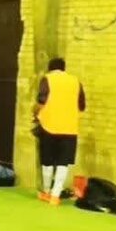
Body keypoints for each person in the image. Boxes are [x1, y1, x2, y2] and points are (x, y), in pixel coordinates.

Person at [34, 57, 86, 205]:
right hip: (70, 128)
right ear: (64, 68)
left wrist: (35, 112)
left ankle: (46, 191)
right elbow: (82, 105)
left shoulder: (48, 79)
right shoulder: (75, 81)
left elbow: (41, 100)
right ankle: (55, 196)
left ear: (50, 68)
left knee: (47, 160)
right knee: (64, 162)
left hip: (49, 126)